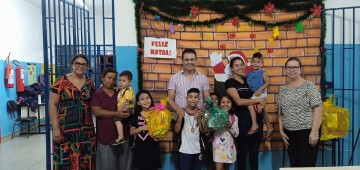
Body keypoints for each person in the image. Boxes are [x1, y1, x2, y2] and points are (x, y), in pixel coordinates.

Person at [49, 54, 96, 169]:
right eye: (77, 63)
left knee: (86, 160)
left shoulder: (90, 83)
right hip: (65, 129)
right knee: (65, 160)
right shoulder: (61, 81)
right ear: (72, 65)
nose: (80, 66)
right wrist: (55, 128)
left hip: (86, 129)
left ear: (87, 67)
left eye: (83, 64)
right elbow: (52, 104)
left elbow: (94, 104)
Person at [277, 57, 322, 167]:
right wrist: (281, 131)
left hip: (307, 133)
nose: (292, 70)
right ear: (285, 69)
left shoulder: (309, 86)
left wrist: (314, 132)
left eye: (295, 67)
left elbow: (318, 108)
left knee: (306, 165)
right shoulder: (283, 90)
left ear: (300, 69)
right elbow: (280, 112)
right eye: (289, 67)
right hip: (290, 134)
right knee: (294, 165)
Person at [225, 57, 267, 170]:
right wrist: (257, 101)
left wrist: (261, 103)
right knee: (242, 151)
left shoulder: (248, 79)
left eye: (241, 65)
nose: (240, 67)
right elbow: (238, 102)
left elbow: (259, 93)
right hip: (241, 121)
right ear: (232, 69)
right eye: (236, 65)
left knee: (254, 152)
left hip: (257, 119)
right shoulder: (230, 82)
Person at [90, 68, 133, 170]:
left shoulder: (120, 92)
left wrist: (130, 111)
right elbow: (97, 111)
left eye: (114, 79)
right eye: (109, 78)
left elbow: (131, 107)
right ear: (102, 78)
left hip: (123, 137)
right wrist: (117, 113)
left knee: (125, 165)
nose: (111, 81)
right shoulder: (97, 93)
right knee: (107, 166)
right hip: (106, 137)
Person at [168, 48, 211, 117]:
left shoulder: (203, 78)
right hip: (180, 117)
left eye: (192, 59)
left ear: (196, 60)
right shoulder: (174, 78)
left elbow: (207, 99)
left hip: (198, 117)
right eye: (187, 60)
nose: (189, 62)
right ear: (182, 61)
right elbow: (170, 98)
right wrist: (177, 109)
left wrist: (204, 108)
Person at [129, 90, 162, 170]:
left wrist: (157, 137)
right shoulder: (136, 114)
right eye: (142, 99)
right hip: (140, 150)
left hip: (153, 149)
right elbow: (131, 132)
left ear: (151, 99)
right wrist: (142, 128)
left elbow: (160, 132)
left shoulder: (156, 114)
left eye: (147, 98)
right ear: (138, 102)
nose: (146, 100)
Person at [174, 88, 205, 170]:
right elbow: (176, 130)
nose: (193, 99)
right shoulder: (181, 112)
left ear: (199, 99)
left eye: (196, 97)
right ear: (186, 98)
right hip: (184, 151)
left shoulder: (201, 113)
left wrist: (199, 119)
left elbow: (203, 131)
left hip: (198, 151)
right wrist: (180, 117)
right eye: (190, 97)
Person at [246, 52, 273, 138]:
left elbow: (267, 82)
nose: (255, 64)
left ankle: (255, 125)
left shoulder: (262, 72)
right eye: (254, 61)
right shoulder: (249, 73)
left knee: (252, 107)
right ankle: (269, 126)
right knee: (259, 109)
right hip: (254, 94)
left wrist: (260, 89)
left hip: (261, 93)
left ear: (262, 63)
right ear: (251, 62)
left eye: (258, 62)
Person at [212, 94, 239, 170]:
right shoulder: (215, 115)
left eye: (228, 102)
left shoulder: (234, 117)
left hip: (229, 147)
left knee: (226, 168)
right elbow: (209, 130)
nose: (225, 104)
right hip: (217, 146)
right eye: (223, 102)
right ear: (220, 104)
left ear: (231, 105)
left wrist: (230, 126)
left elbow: (236, 134)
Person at [112, 70, 135, 145]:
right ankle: (132, 140)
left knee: (116, 119)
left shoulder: (128, 90)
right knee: (129, 125)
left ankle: (121, 137)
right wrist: (117, 89)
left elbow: (128, 101)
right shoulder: (123, 89)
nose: (121, 82)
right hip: (125, 109)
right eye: (120, 80)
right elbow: (121, 93)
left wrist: (120, 108)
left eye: (124, 81)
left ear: (130, 81)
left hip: (127, 109)